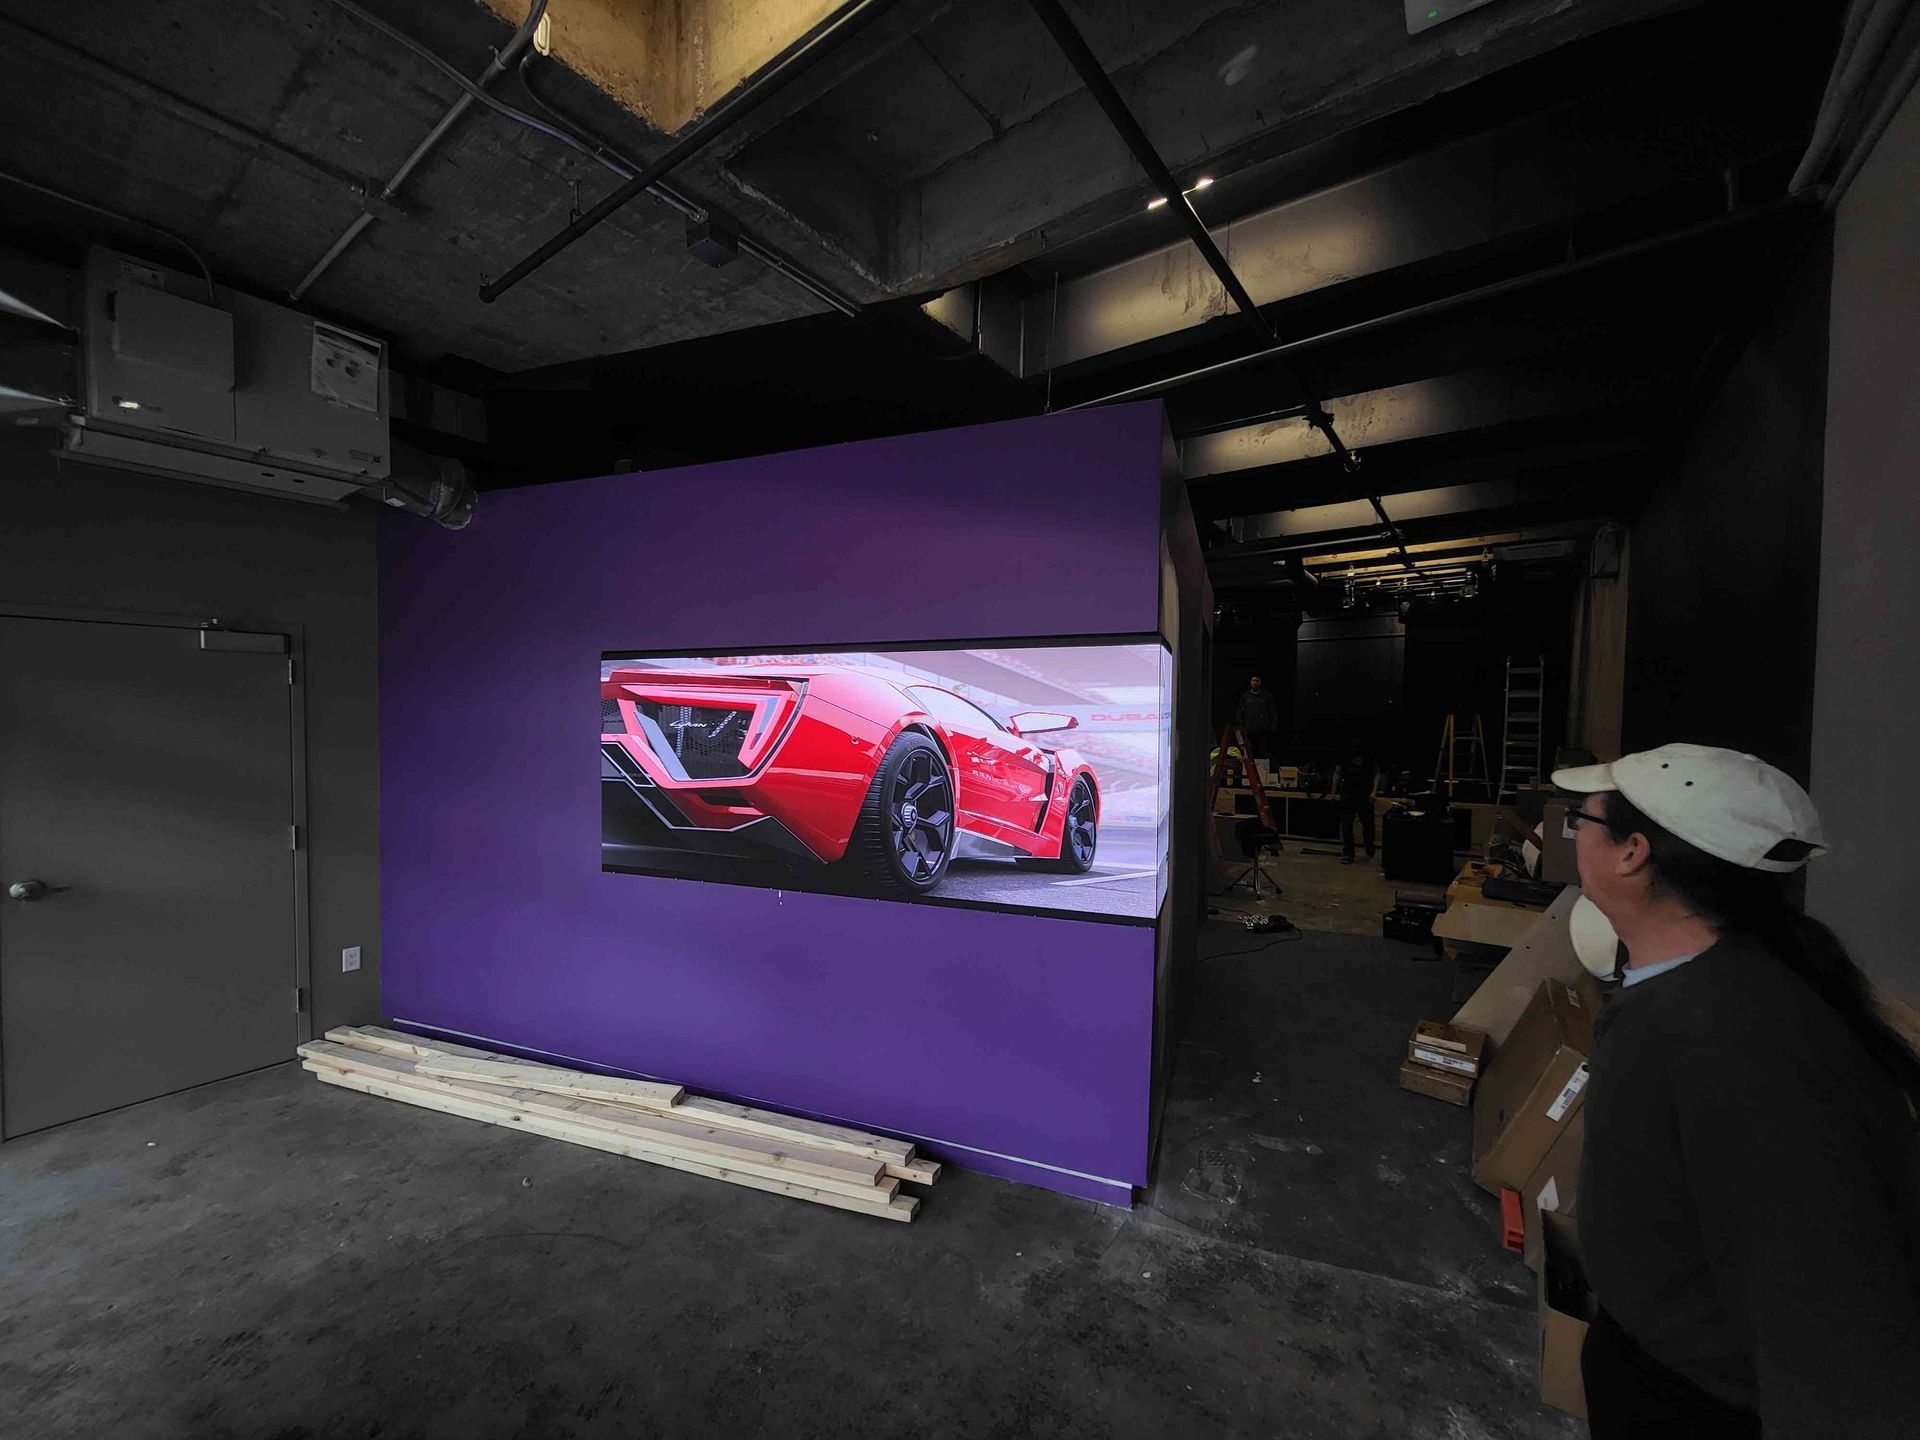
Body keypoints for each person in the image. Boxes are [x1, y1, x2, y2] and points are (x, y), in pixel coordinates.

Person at [1554, 743, 1920, 1437]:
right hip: (1660, 1369)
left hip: (1698, 1408)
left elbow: (1836, 1325)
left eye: (1582, 819)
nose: (1570, 834)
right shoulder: (1707, 987)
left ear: (1633, 852)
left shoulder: (1736, 1039)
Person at [1329, 742, 1376, 863]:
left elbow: (1377, 773)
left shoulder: (1368, 757)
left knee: (1368, 824)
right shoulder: (1344, 758)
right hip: (1348, 795)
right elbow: (1337, 774)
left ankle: (1369, 845)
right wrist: (1333, 793)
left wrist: (1374, 792)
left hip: (1364, 794)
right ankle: (1348, 852)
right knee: (1346, 824)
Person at [1234, 674, 1280, 764]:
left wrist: (1273, 723)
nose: (1255, 683)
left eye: (1257, 681)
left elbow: (1272, 710)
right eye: (1253, 681)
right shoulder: (1245, 696)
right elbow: (1240, 710)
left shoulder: (1266, 696)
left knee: (1263, 751)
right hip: (1249, 728)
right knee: (1249, 751)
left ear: (1260, 682)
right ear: (1250, 683)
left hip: (1263, 729)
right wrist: (1240, 723)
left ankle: (1263, 770)